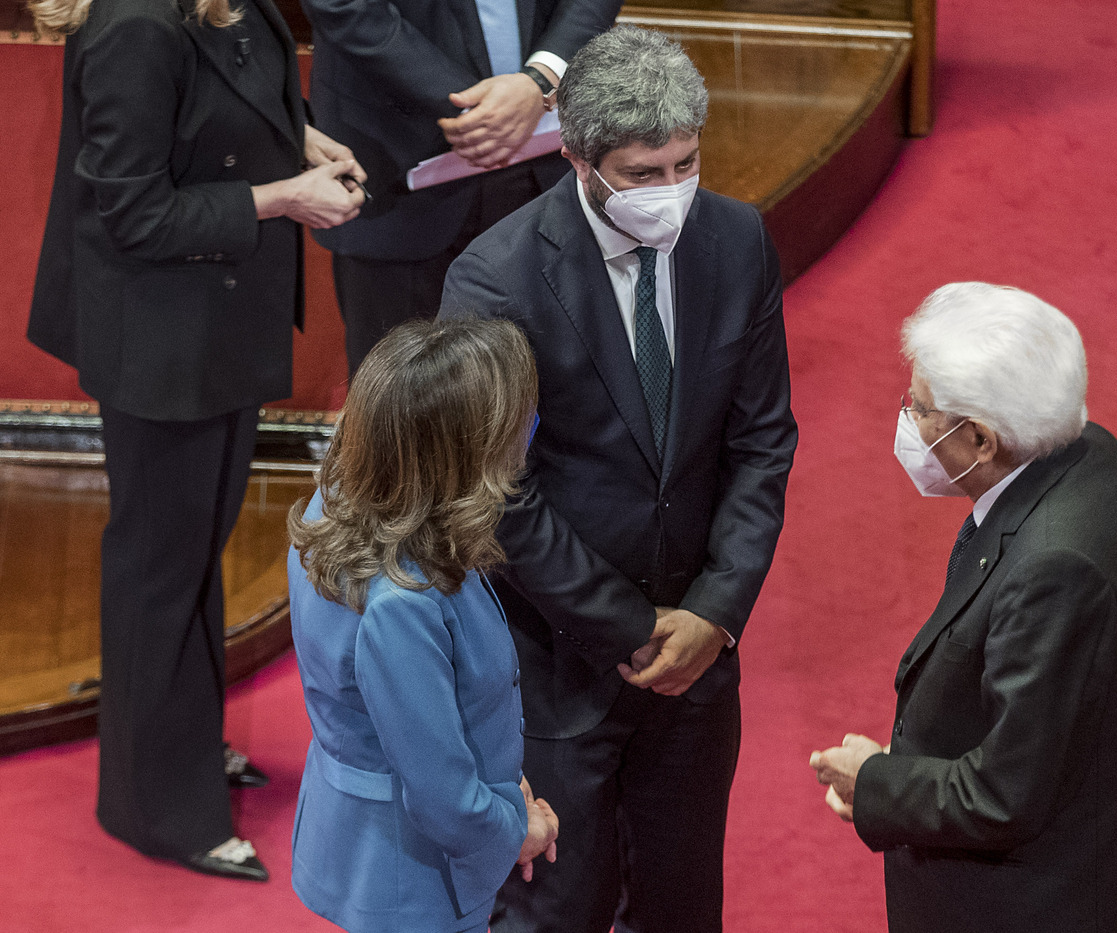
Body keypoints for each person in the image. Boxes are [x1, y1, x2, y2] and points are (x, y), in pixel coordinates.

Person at [439, 24, 798, 933]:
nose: (670, 192)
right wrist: (634, 629)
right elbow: (500, 495)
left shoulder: (738, 240)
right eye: (643, 173)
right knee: (558, 910)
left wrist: (713, 614)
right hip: (558, 667)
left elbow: (762, 443)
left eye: (686, 163)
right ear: (576, 157)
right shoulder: (495, 280)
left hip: (699, 665)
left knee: (683, 907)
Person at [26, 0, 366, 881]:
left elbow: (242, 109)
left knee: (192, 550)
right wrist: (287, 195)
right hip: (157, 342)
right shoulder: (133, 28)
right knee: (158, 565)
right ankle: (156, 807)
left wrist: (306, 141)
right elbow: (134, 213)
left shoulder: (237, 4)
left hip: (218, 327)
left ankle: (178, 747)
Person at [810, 282, 1117, 932]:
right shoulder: (1096, 457)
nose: (907, 420)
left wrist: (876, 783)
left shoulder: (1056, 568)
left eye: (918, 407)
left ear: (980, 438)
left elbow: (1006, 794)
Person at [286, 319, 559, 933]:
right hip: (413, 881)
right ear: (465, 453)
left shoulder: (330, 501)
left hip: (358, 835)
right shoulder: (404, 601)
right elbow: (445, 800)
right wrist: (521, 826)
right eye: (521, 422)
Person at [301, 0, 622, 379]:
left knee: (545, 391)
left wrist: (541, 78)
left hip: (546, 162)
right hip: (400, 170)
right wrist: (482, 109)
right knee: (404, 402)